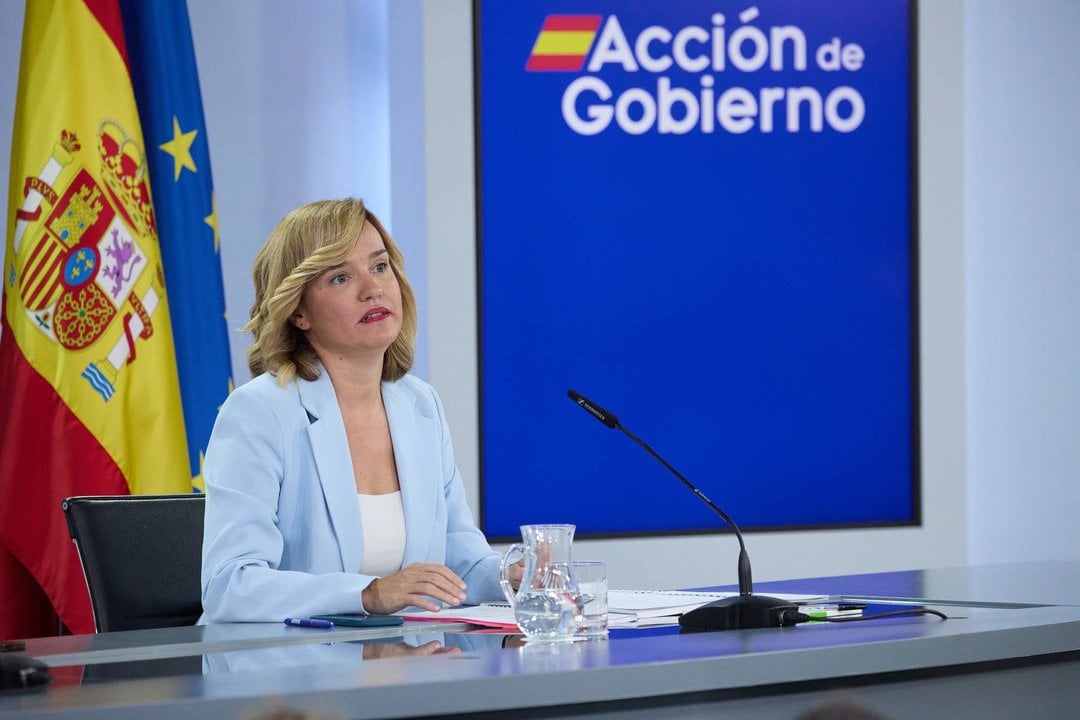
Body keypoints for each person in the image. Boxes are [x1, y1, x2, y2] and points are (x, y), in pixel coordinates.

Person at [200, 198, 516, 622]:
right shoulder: (260, 412)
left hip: (407, 669)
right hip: (285, 675)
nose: (373, 289)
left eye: (380, 266)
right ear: (298, 312)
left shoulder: (420, 404)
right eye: (340, 277)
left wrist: (517, 574)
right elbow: (230, 586)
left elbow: (458, 561)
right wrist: (368, 594)